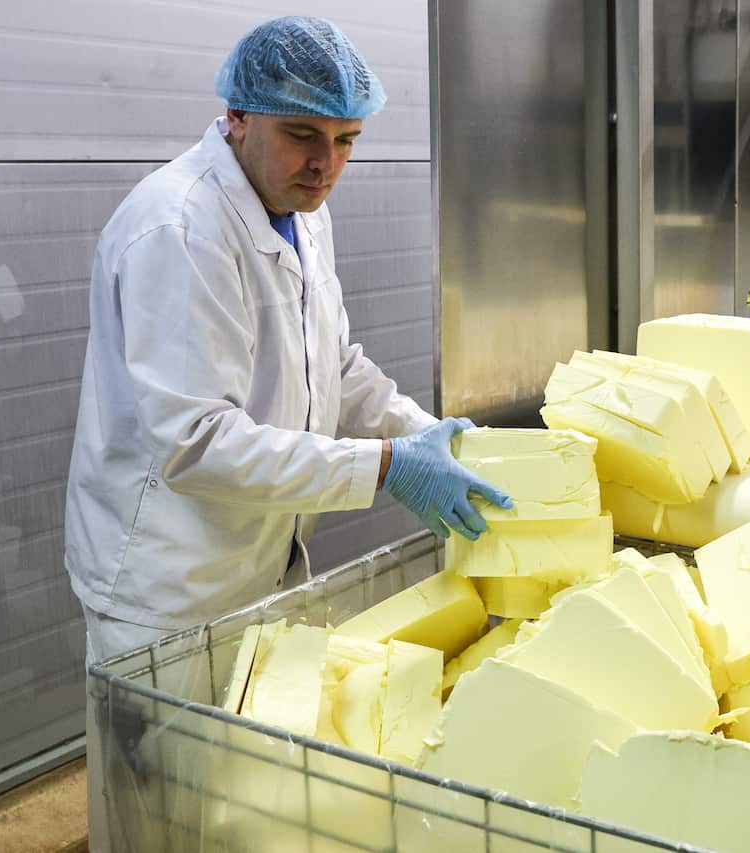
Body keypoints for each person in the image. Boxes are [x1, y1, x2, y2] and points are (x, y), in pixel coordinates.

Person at [65, 17, 509, 849]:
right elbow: (194, 441)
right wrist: (384, 468)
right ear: (237, 114)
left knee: (240, 808)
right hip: (169, 585)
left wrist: (425, 434)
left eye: (347, 141)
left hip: (254, 564)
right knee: (161, 815)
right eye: (303, 135)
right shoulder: (181, 228)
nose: (326, 165)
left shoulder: (301, 210)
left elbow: (333, 367)